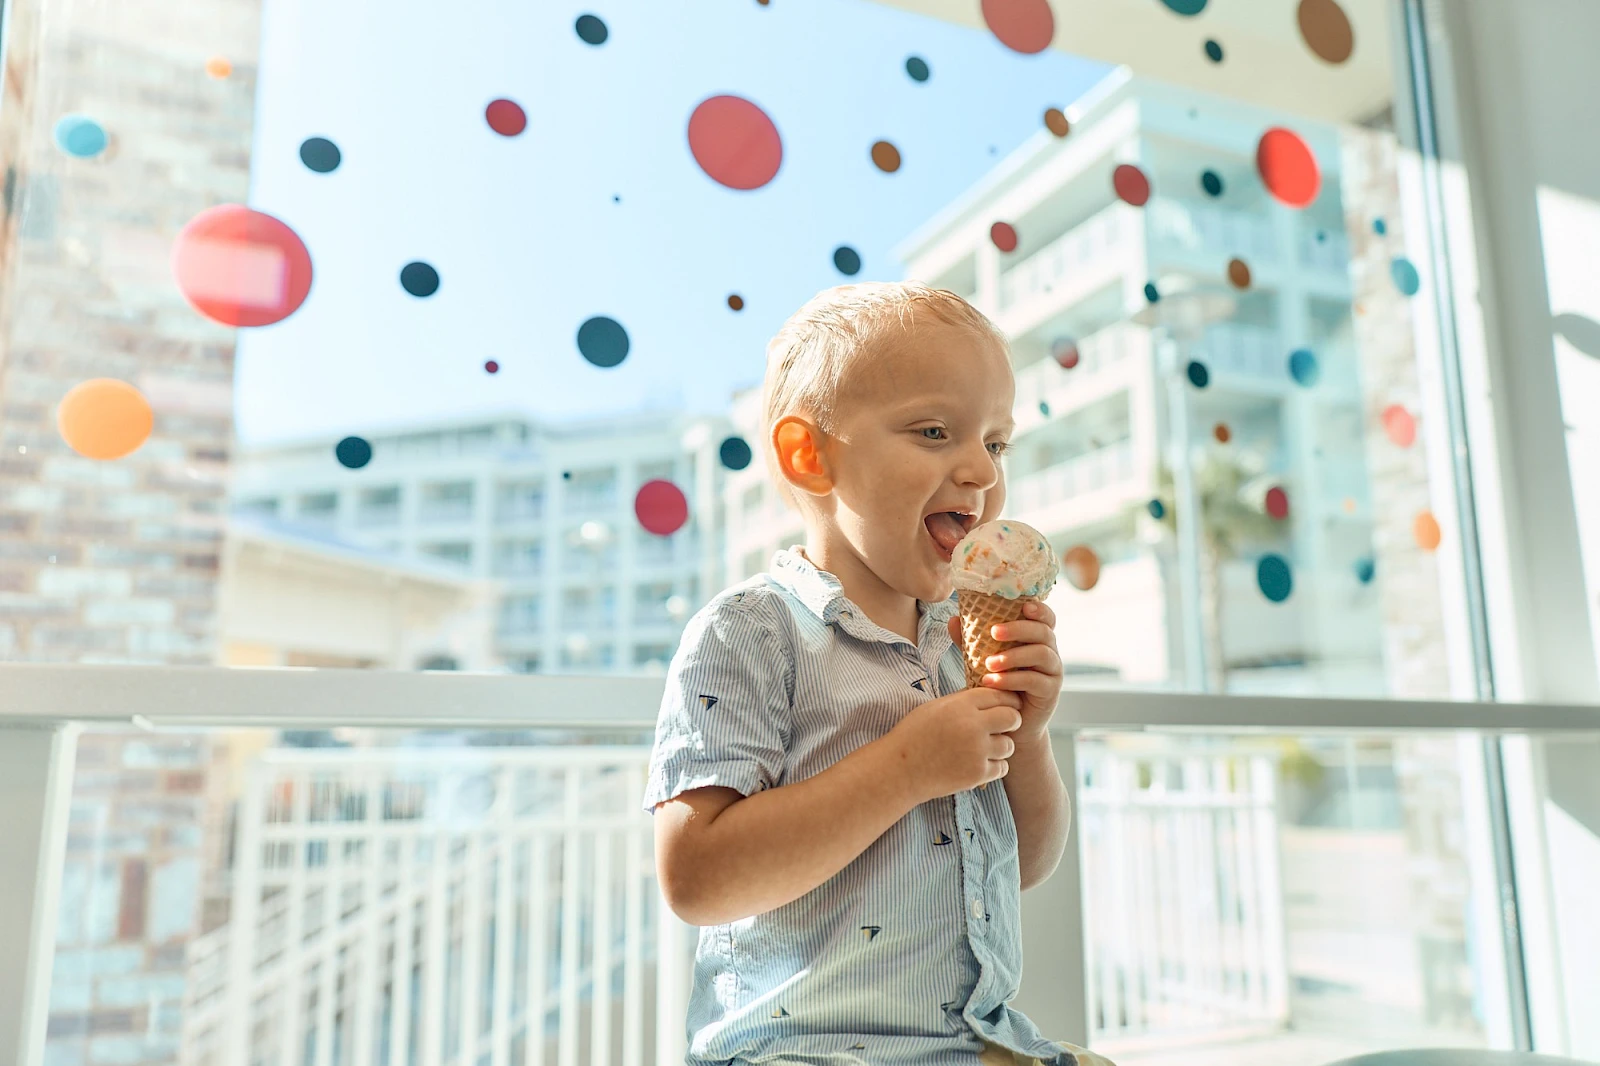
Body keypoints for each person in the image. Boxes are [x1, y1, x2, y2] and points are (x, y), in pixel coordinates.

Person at [641, 282, 1116, 1066]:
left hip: (975, 1042)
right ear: (811, 455)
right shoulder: (750, 634)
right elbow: (697, 879)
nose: (979, 470)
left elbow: (1025, 867)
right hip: (801, 1052)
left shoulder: (960, 648)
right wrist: (904, 769)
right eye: (935, 432)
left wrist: (1026, 743)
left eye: (996, 444)